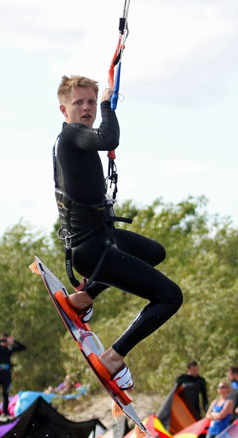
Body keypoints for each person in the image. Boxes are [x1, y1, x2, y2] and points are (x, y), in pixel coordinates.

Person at [51, 74, 182, 392]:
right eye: (79, 102)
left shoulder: (77, 139)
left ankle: (83, 298)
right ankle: (113, 357)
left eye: (92, 103)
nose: (86, 108)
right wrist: (110, 105)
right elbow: (109, 138)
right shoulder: (71, 136)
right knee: (170, 297)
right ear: (63, 109)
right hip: (93, 250)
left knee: (154, 253)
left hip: (99, 238)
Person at [0, 333, 26, 415]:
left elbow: (23, 347)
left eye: (7, 341)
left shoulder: (9, 349)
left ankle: (6, 412)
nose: (6, 342)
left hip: (6, 374)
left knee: (5, 394)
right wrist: (4, 340)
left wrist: (13, 341)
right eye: (5, 341)